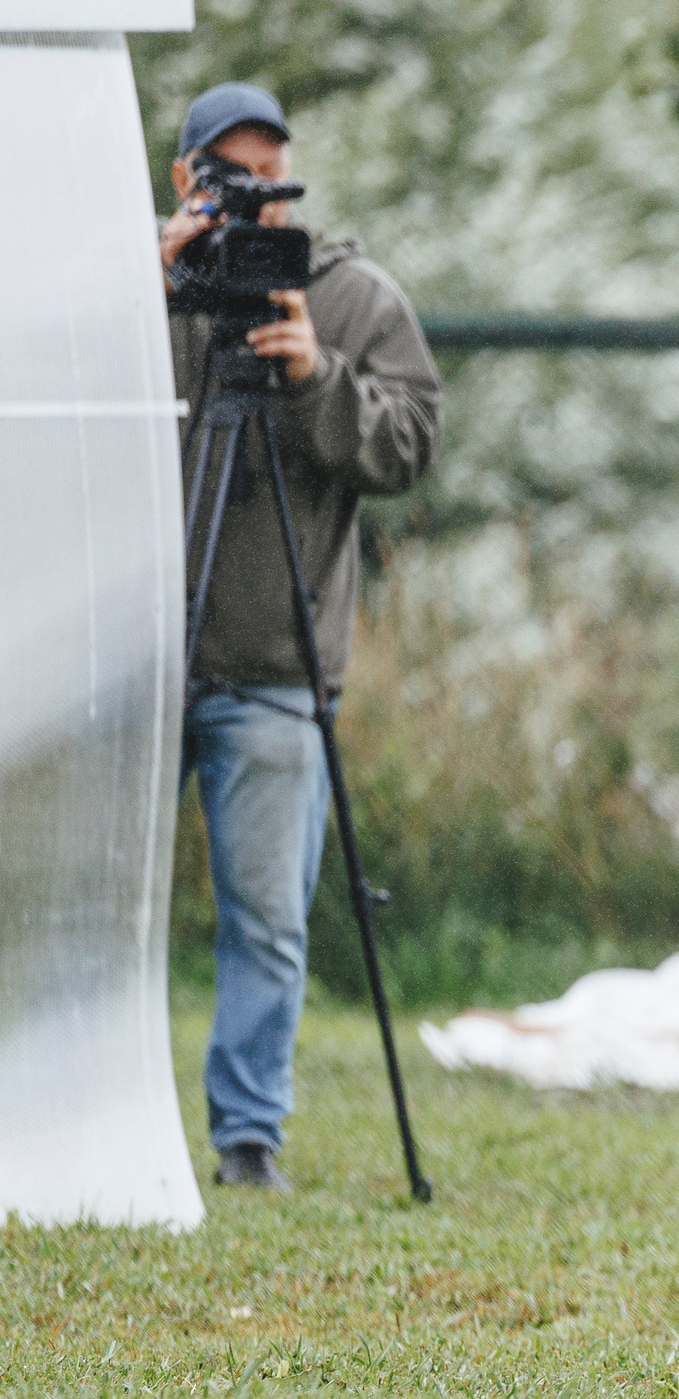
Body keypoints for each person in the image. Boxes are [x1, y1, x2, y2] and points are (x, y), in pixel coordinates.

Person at [161, 82, 442, 1191]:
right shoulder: (129, 276)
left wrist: (314, 378)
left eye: (273, 183)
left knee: (268, 919)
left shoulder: (353, 297)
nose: (256, 206)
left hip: (276, 665)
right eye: (232, 181)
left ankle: (247, 1141)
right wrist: (153, 274)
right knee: (86, 905)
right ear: (188, 181)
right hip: (132, 659)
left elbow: (410, 445)